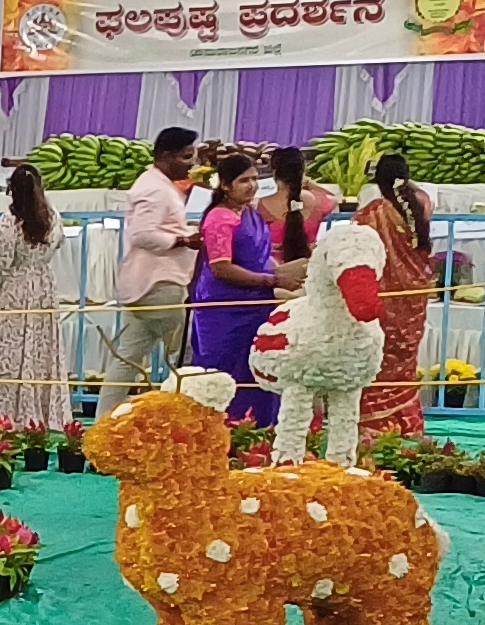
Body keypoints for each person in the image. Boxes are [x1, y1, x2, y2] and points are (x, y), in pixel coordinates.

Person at [98, 125, 203, 414]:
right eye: (186, 156)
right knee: (185, 355)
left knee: (128, 359)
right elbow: (142, 235)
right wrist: (184, 239)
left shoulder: (156, 185)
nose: (192, 163)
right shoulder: (155, 189)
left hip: (148, 285)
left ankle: (104, 424)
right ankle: (183, 419)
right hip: (160, 285)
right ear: (166, 156)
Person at [0, 167, 70, 434]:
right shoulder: (53, 217)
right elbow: (58, 243)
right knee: (40, 349)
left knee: (9, 352)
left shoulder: (10, 220)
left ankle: (8, 413)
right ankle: (41, 413)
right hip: (43, 287)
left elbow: (2, 260)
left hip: (15, 288)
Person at [189, 148, 280, 424]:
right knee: (224, 375)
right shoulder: (219, 218)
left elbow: (260, 256)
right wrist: (270, 280)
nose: (251, 185)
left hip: (258, 308)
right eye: (243, 180)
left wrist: (283, 273)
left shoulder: (251, 213)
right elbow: (221, 268)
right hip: (225, 311)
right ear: (226, 185)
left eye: (254, 179)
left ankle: (258, 436)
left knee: (258, 372)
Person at [356, 149, 438, 444]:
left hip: (384, 297)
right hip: (414, 297)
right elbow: (415, 193)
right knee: (404, 358)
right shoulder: (422, 203)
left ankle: (374, 427)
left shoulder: (372, 213)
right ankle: (407, 423)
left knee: (379, 358)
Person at [260, 144, 339, 294]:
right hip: (308, 278)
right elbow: (336, 198)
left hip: (275, 280)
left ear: (274, 172)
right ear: (302, 172)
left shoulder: (258, 207)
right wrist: (310, 183)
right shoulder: (321, 202)